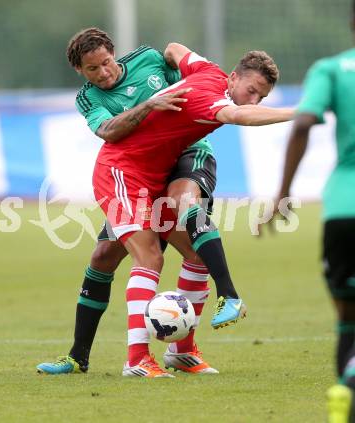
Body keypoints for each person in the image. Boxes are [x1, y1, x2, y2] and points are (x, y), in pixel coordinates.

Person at [37, 28, 246, 376]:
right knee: (104, 256)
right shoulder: (88, 99)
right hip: (136, 177)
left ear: (114, 54)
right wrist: (149, 104)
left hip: (181, 158)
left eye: (106, 63)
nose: (103, 73)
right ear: (80, 71)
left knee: (188, 243)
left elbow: (188, 76)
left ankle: (180, 350)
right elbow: (108, 132)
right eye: (93, 69)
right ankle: (79, 357)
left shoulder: (148, 59)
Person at [88, 42, 293, 377]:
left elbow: (174, 49)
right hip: (122, 173)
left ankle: (181, 352)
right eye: (252, 90)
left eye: (262, 98)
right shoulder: (209, 99)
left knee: (197, 255)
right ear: (233, 78)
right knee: (150, 256)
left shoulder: (206, 70)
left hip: (156, 177)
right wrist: (298, 112)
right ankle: (137, 359)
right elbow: (240, 115)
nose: (253, 100)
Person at [260, 2, 355, 420]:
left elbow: (302, 123)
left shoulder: (331, 69)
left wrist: (282, 193)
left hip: (343, 209)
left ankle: (346, 394)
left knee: (348, 319)